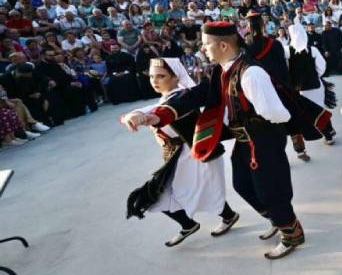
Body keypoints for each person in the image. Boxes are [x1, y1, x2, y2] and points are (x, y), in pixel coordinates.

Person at [127, 21, 304, 259]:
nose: (202, 49)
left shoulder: (251, 73)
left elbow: (276, 113)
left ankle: (291, 233)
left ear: (222, 45)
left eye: (206, 44)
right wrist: (154, 114)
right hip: (245, 140)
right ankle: (276, 219)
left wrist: (256, 131)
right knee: (242, 185)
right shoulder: (223, 69)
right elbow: (195, 95)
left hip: (262, 140)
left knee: (271, 189)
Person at [121, 58, 240, 247]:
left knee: (206, 193)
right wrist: (132, 114)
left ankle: (233, 217)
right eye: (152, 76)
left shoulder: (183, 96)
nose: (154, 80)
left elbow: (165, 110)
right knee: (157, 196)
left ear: (176, 77)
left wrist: (145, 116)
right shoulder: (165, 98)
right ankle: (189, 224)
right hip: (177, 157)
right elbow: (149, 109)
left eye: (161, 76)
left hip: (197, 157)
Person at [286, 18, 337, 161]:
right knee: (318, 111)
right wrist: (315, 77)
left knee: (297, 117)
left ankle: (300, 150)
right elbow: (322, 67)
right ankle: (328, 135)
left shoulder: (287, 52)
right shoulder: (312, 50)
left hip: (297, 91)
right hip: (315, 86)